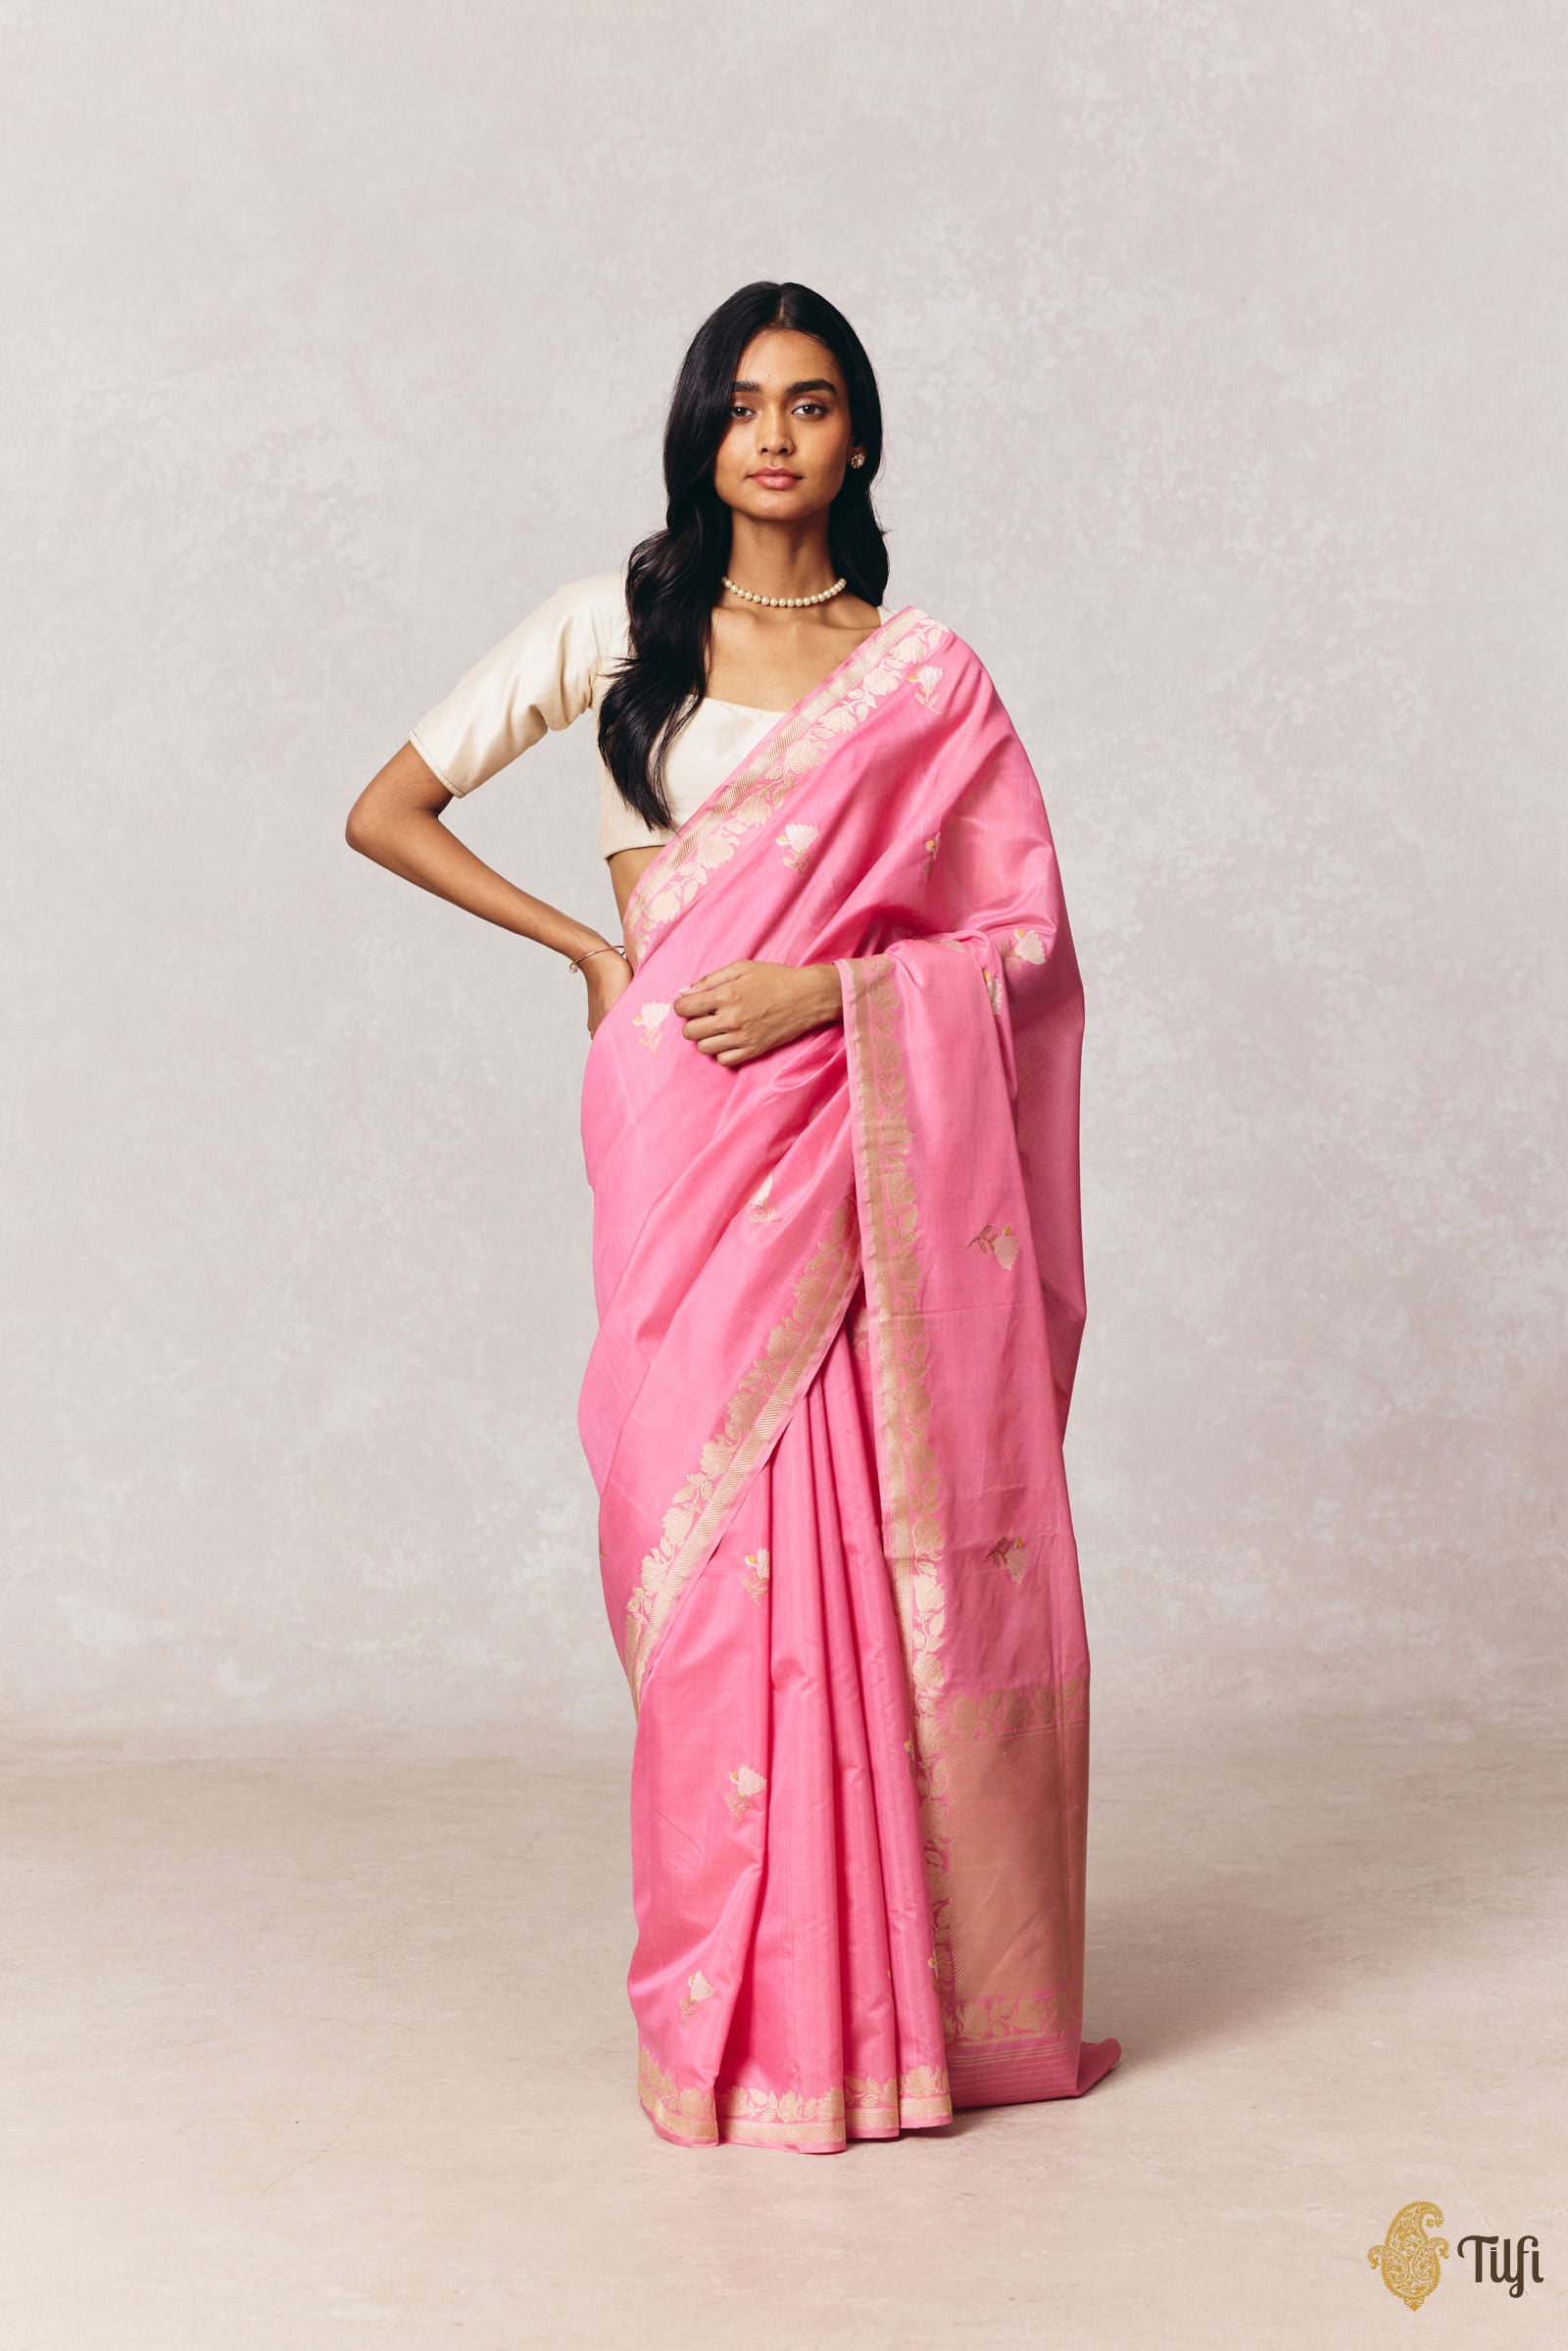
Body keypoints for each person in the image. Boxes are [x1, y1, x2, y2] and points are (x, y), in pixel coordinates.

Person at [346, 279, 1121, 2153]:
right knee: (702, 1586)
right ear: (701, 430)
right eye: (745, 402)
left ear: (860, 437)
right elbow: (389, 805)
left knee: (857, 1548)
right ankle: (735, 2014)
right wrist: (589, 953)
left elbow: (1021, 945)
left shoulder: (923, 676)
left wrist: (835, 995)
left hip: (860, 1148)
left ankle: (878, 2017)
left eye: (814, 402)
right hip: (686, 1131)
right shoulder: (616, 626)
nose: (776, 435)